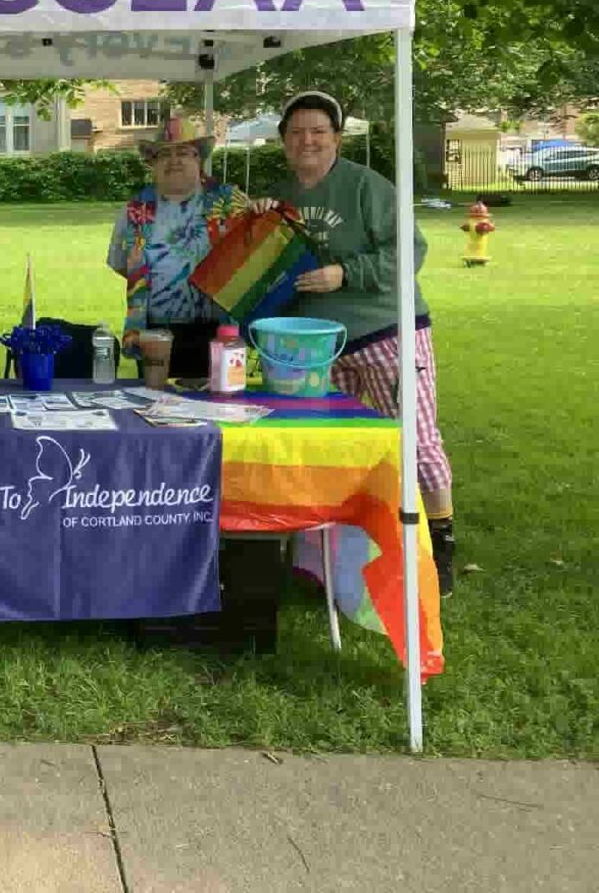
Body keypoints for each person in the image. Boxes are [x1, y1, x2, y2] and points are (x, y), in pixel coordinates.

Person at [257, 90, 456, 594]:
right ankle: (328, 559)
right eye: (297, 132)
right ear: (283, 141)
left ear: (337, 139)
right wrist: (257, 219)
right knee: (332, 449)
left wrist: (345, 273)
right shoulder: (281, 195)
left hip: (388, 329)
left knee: (414, 439)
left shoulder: (366, 186)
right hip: (319, 346)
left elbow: (412, 250)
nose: (308, 140)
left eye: (319, 131)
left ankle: (440, 548)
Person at [108, 116, 246, 378]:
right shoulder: (135, 210)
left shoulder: (230, 201)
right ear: (153, 163)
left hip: (219, 332)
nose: (174, 161)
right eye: (164, 154)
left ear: (198, 159)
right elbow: (121, 265)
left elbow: (257, 258)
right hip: (153, 334)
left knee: (218, 408)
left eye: (183, 152)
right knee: (155, 407)